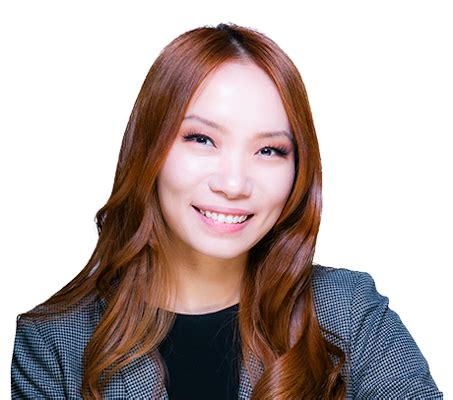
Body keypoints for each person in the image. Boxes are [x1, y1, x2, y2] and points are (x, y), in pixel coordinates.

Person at [11, 22, 442, 399]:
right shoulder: (55, 340)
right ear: (149, 148)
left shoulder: (347, 310)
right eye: (202, 139)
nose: (233, 184)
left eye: (269, 150)